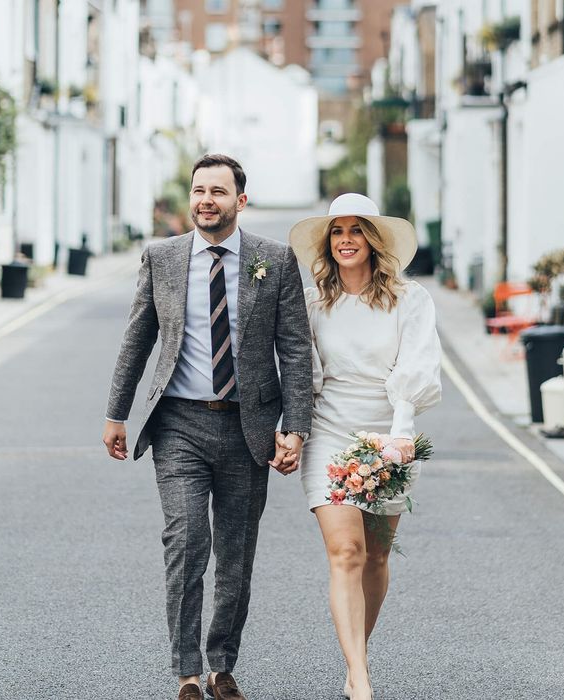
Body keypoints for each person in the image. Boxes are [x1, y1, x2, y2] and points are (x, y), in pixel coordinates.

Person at [103, 154, 312, 700]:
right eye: (199, 190)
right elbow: (137, 338)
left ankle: (222, 666)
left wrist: (295, 427)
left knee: (236, 554)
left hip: (249, 428)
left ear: (240, 201)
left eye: (218, 191)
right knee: (188, 542)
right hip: (178, 426)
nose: (206, 201)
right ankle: (187, 673)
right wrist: (116, 413)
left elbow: (293, 349)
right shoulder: (162, 258)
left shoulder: (276, 260)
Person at [287, 193, 442, 700]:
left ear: (372, 240)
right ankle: (360, 680)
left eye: (356, 230)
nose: (346, 240)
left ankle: (356, 658)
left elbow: (417, 369)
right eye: (337, 231)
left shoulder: (409, 299)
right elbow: (301, 373)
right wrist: (292, 429)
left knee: (376, 556)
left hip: (390, 433)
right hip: (330, 430)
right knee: (346, 551)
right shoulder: (313, 302)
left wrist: (396, 443)